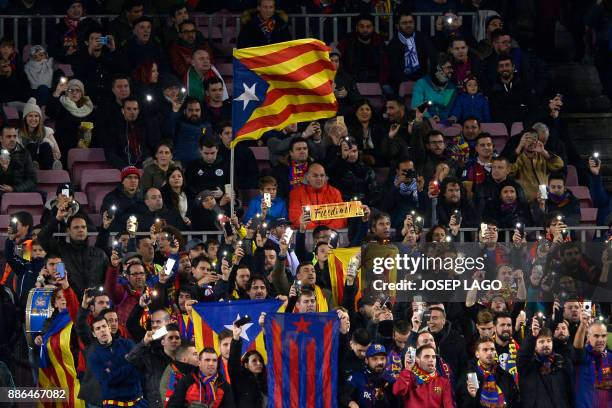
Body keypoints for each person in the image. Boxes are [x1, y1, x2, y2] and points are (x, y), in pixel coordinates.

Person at [38, 212, 108, 297]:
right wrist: (57, 219)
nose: (80, 230)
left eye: (83, 227)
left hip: (95, 304)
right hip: (70, 303)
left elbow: (108, 280)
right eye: (76, 227)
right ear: (68, 231)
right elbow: (42, 237)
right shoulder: (61, 251)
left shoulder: (99, 254)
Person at [87, 316, 146, 407]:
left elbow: (141, 369)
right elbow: (108, 380)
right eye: (98, 328)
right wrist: (129, 363)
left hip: (138, 402)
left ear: (109, 328)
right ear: (94, 334)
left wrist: (115, 372)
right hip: (113, 404)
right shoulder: (93, 355)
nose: (102, 330)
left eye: (104, 326)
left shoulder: (127, 344)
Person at [517, 317, 574, 408]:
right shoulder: (527, 365)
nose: (546, 344)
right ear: (534, 346)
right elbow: (523, 355)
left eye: (548, 341)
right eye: (541, 341)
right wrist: (533, 336)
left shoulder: (560, 363)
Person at [126, 323, 182, 408]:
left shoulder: (185, 360)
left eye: (177, 338)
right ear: (162, 342)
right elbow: (131, 358)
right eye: (170, 338)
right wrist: (144, 342)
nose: (174, 340)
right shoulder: (152, 358)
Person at [103, 95, 162, 169]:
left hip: (146, 163)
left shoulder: (145, 126)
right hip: (125, 166)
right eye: (129, 109)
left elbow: (154, 145)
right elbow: (110, 153)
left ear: (138, 111)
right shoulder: (114, 128)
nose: (132, 112)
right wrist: (125, 167)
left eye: (135, 109)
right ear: (122, 110)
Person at [459, 337, 519, 407]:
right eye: (485, 350)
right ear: (477, 354)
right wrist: (471, 397)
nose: (490, 353)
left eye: (492, 349)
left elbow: (514, 401)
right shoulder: (468, 378)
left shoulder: (506, 376)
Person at [167, 347, 235, 407]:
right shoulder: (186, 381)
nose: (211, 363)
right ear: (199, 362)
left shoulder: (224, 385)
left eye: (214, 360)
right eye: (207, 360)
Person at [510, 129, 564, 203]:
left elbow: (559, 164)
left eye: (534, 139)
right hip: (526, 202)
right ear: (522, 141)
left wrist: (543, 152)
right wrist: (519, 148)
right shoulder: (518, 158)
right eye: (528, 139)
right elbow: (510, 170)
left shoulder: (543, 156)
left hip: (544, 200)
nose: (531, 142)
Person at [288, 163, 347, 230]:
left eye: (322, 176)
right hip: (306, 235)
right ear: (307, 177)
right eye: (315, 176)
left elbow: (342, 219)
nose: (319, 178)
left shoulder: (335, 193)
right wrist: (318, 230)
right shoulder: (296, 193)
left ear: (325, 177)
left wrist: (325, 230)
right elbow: (295, 219)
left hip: (331, 234)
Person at [386, 10, 434, 92]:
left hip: (422, 80)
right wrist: (409, 83)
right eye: (404, 23)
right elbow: (394, 70)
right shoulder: (393, 43)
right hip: (401, 82)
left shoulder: (422, 38)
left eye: (410, 22)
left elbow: (433, 57)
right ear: (397, 26)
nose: (408, 25)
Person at [46, 78, 96, 155]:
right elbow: (49, 112)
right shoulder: (61, 104)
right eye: (70, 90)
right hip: (64, 145)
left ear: (82, 93)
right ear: (66, 92)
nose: (74, 93)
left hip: (85, 145)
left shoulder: (89, 107)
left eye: (77, 90)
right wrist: (57, 93)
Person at [573, 311, 612, 407]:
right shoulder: (582, 356)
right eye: (596, 336)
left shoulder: (610, 357)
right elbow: (577, 347)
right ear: (588, 337)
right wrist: (582, 324)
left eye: (603, 336)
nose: (600, 340)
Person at [341, 343, 398, 407]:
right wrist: (351, 403)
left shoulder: (391, 379)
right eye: (375, 359)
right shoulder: (357, 376)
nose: (379, 362)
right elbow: (344, 395)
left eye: (382, 358)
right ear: (366, 360)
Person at [337, 13, 388, 84]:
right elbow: (337, 58)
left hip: (376, 82)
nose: (365, 30)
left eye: (368, 27)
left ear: (373, 28)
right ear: (357, 27)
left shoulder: (379, 42)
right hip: (351, 82)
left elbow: (385, 66)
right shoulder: (347, 40)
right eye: (362, 26)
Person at [70, 27, 116, 105]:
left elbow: (120, 69)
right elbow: (79, 72)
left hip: (107, 95)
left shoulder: (109, 55)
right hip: (86, 95)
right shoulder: (78, 56)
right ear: (86, 42)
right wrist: (90, 51)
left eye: (99, 39)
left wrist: (113, 50)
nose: (97, 41)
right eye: (93, 39)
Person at [163, 96, 213, 165]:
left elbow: (210, 144)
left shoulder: (207, 125)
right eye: (190, 110)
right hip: (179, 165)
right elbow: (168, 134)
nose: (194, 113)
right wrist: (174, 111)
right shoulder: (178, 122)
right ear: (184, 111)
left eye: (197, 110)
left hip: (200, 165)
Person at [228, 323, 267, 408]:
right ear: (246, 365)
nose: (259, 363)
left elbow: (273, 355)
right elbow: (233, 362)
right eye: (254, 361)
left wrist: (264, 330)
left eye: (260, 361)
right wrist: (236, 338)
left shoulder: (267, 382)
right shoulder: (240, 379)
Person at [411, 53, 457, 122]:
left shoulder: (452, 88)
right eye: (448, 68)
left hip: (444, 122)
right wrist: (431, 117)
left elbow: (449, 109)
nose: (452, 71)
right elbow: (416, 107)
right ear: (437, 69)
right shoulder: (421, 83)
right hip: (424, 120)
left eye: (452, 68)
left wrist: (440, 118)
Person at [18, 97, 61, 170]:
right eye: (30, 116)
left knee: (45, 144)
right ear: (25, 118)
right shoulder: (18, 132)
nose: (33, 119)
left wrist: (48, 144)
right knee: (31, 146)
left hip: (45, 160)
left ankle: (52, 167)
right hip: (26, 162)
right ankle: (32, 166)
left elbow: (58, 153)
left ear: (39, 118)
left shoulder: (47, 131)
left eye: (36, 116)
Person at [100, 166, 143, 231]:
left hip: (142, 235)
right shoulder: (111, 198)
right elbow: (109, 221)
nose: (133, 180)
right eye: (129, 177)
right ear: (122, 181)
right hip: (119, 235)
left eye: (136, 178)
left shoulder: (144, 197)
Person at [0, 124, 37, 193]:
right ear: (1, 139)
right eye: (9, 137)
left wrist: (14, 189)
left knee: (44, 196)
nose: (12, 139)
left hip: (20, 191)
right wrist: (3, 170)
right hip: (2, 192)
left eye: (14, 136)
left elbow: (32, 180)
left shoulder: (24, 153)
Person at [159, 341, 199, 406]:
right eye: (195, 354)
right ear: (184, 359)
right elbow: (170, 404)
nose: (198, 357)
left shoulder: (192, 372)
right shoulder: (172, 376)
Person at [329, 50, 362, 116]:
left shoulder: (348, 78)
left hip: (343, 113)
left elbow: (358, 98)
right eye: (331, 61)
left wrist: (347, 93)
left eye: (336, 61)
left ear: (340, 63)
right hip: (326, 113)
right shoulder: (319, 77)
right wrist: (332, 94)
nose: (333, 64)